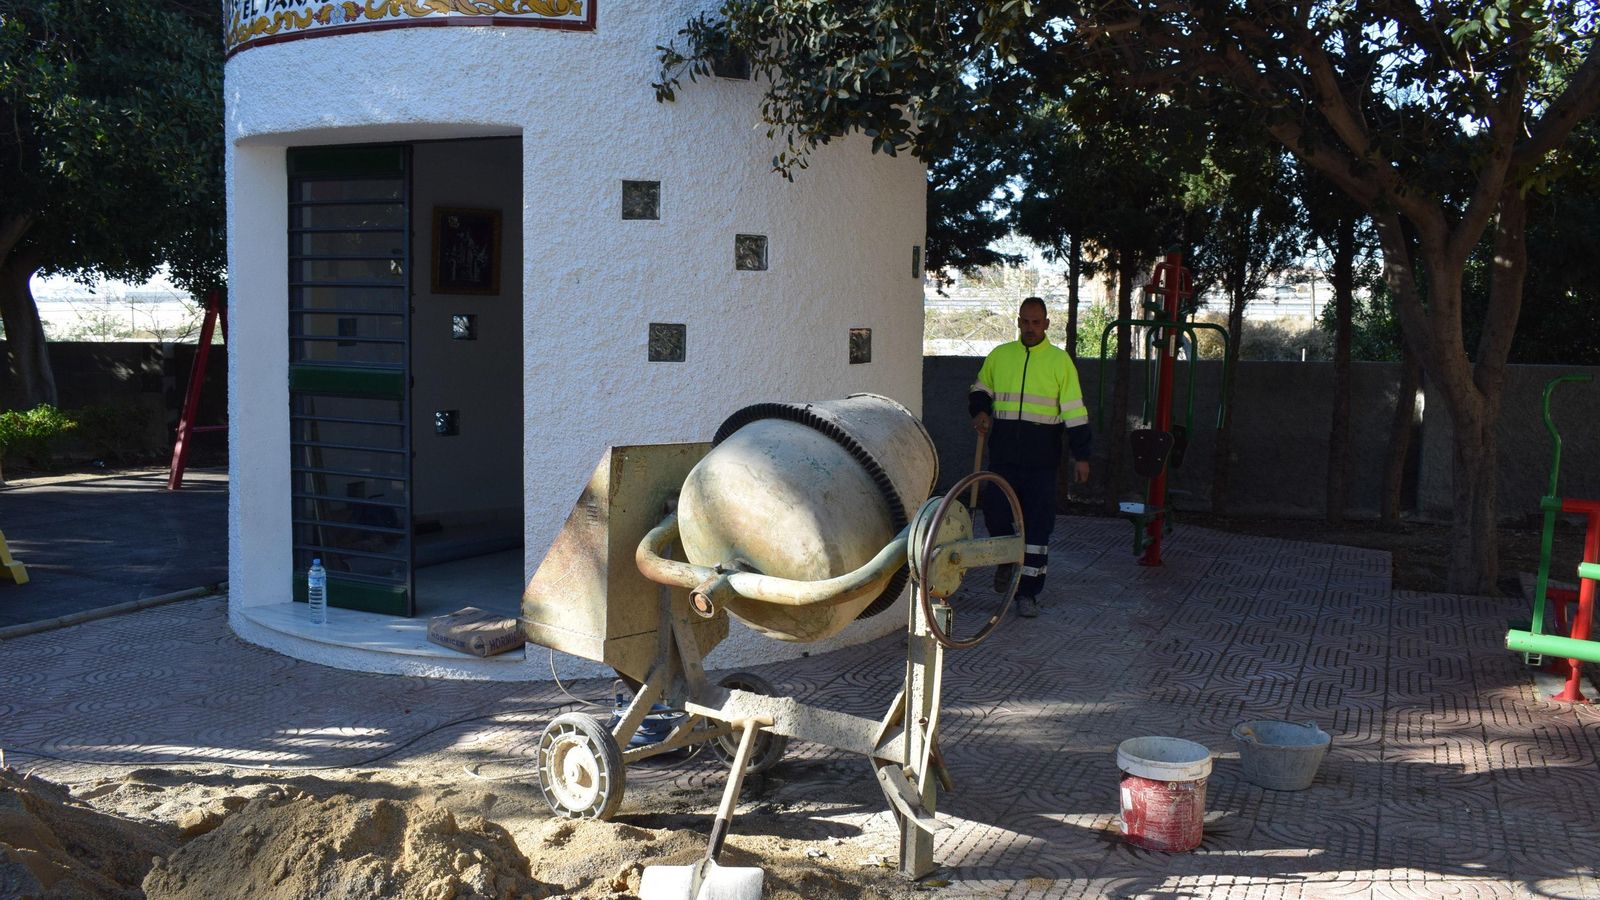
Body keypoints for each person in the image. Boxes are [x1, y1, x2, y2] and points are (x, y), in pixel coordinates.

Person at [968, 296, 1091, 618]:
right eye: (1025, 321)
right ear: (1018, 322)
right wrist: (980, 411)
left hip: (1041, 460)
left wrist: (1082, 455)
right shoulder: (1001, 355)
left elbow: (1075, 414)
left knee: (1037, 528)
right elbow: (980, 389)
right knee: (995, 514)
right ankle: (1007, 562)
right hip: (1004, 456)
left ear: (1047, 324)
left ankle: (1028, 593)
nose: (1030, 328)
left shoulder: (1059, 362)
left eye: (1036, 322)